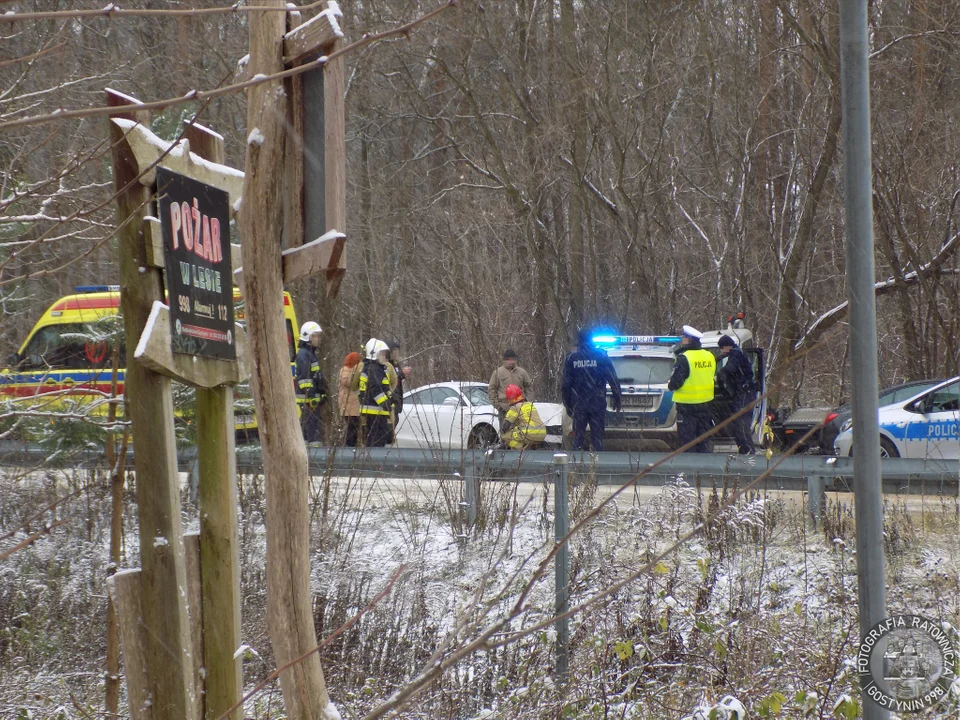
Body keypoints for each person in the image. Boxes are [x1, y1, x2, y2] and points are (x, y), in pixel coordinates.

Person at [561, 328, 622, 451]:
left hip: (579, 404)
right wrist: (617, 397)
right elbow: (613, 379)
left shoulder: (572, 359)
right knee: (597, 438)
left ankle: (576, 465)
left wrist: (567, 404)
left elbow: (566, 385)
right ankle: (598, 464)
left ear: (579, 341)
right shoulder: (601, 356)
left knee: (578, 438)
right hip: (597, 403)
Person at [668, 325, 716, 453]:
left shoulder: (685, 358)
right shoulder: (709, 356)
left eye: (684, 337)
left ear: (689, 340)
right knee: (703, 440)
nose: (682, 339)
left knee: (688, 442)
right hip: (706, 405)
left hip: (687, 407)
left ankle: (690, 469)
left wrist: (670, 384)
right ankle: (704, 469)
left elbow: (676, 383)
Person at [716, 334, 757, 454]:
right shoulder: (736, 353)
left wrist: (718, 377)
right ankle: (744, 449)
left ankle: (748, 450)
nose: (721, 351)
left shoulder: (736, 354)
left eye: (721, 348)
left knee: (741, 424)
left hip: (745, 394)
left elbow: (729, 369)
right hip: (742, 393)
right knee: (738, 424)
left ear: (727, 346)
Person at [295, 321, 327, 443]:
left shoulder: (311, 354)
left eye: (318, 336)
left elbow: (315, 378)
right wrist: (312, 396)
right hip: (307, 399)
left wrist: (321, 393)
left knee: (314, 430)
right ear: (307, 336)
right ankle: (313, 456)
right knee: (311, 432)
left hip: (312, 399)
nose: (318, 339)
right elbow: (305, 379)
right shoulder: (304, 355)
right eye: (315, 336)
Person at [357, 338, 393, 447]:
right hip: (375, 411)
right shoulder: (374, 369)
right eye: (382, 353)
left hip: (372, 410)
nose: (384, 356)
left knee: (372, 439)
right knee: (377, 441)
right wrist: (385, 403)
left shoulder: (371, 368)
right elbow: (376, 389)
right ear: (374, 354)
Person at [488, 348, 533, 424]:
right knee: (506, 434)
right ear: (504, 360)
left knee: (521, 433)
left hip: (520, 409)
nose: (511, 361)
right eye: (509, 359)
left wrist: (527, 401)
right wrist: (498, 406)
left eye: (513, 359)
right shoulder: (497, 372)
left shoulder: (522, 372)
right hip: (504, 409)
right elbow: (491, 390)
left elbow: (529, 387)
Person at [500, 384, 546, 449]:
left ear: (510, 398)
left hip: (529, 434)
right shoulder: (530, 405)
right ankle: (532, 447)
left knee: (505, 435)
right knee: (519, 430)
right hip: (542, 433)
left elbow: (504, 427)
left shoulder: (515, 407)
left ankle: (521, 449)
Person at [385, 339, 412, 440]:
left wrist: (403, 374)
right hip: (391, 398)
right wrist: (401, 373)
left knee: (395, 420)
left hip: (397, 398)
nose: (397, 353)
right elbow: (391, 379)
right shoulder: (387, 365)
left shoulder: (395, 364)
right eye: (395, 351)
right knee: (391, 422)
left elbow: (397, 378)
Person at [338, 351, 363, 447]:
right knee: (351, 427)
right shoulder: (345, 370)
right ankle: (349, 446)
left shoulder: (351, 370)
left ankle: (352, 445)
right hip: (348, 404)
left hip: (353, 404)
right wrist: (356, 370)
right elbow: (348, 382)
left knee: (354, 427)